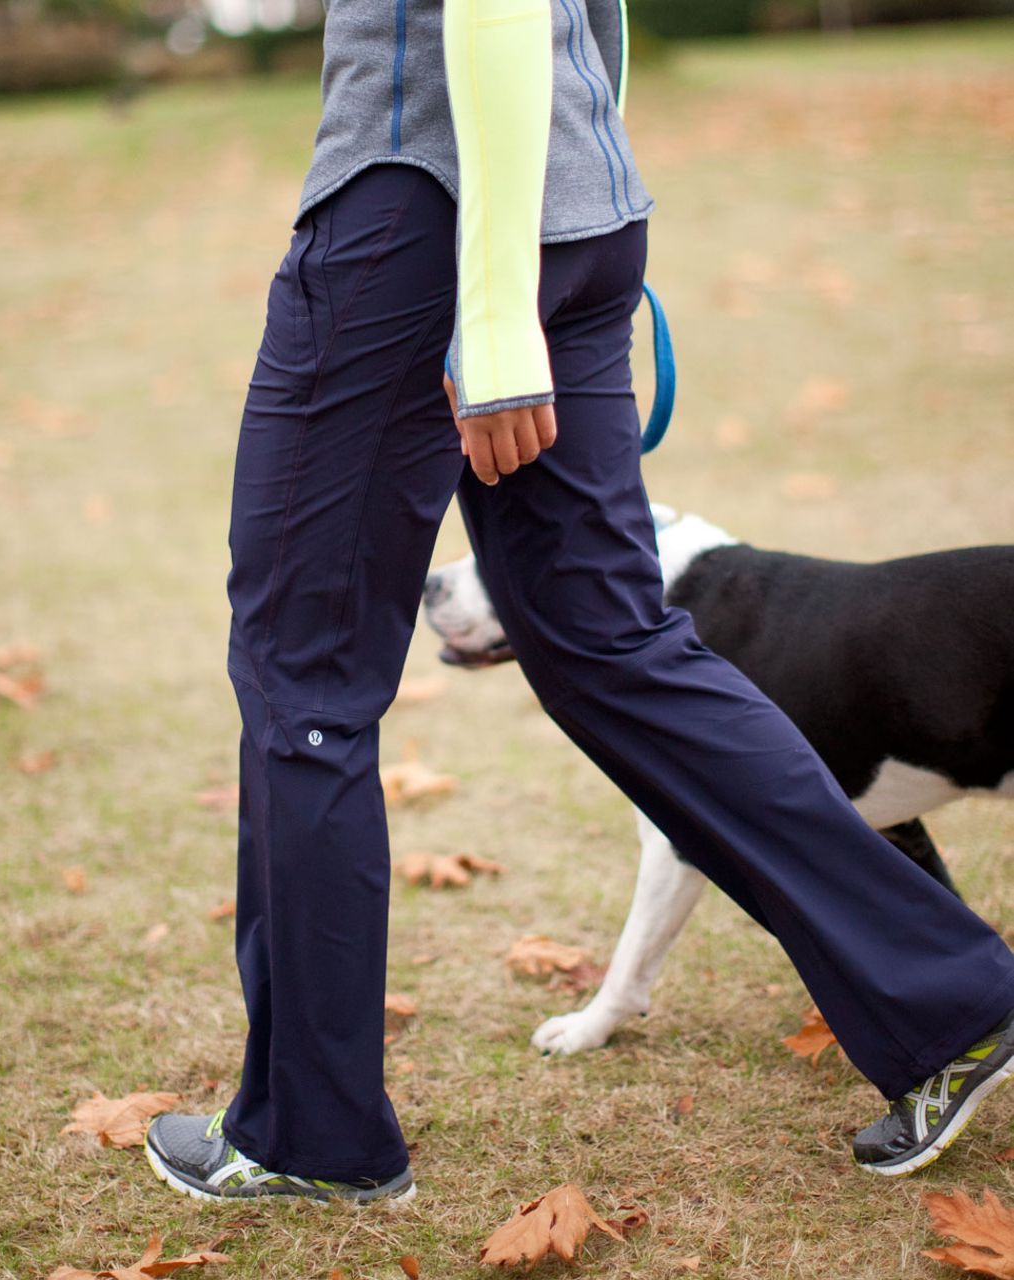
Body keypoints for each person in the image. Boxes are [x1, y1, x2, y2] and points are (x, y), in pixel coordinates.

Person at [144, 0, 1014, 1202]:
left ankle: (311, 1131)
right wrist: (565, 211)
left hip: (419, 211)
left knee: (305, 674)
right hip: (573, 202)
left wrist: (497, 318)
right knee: (614, 643)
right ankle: (955, 995)